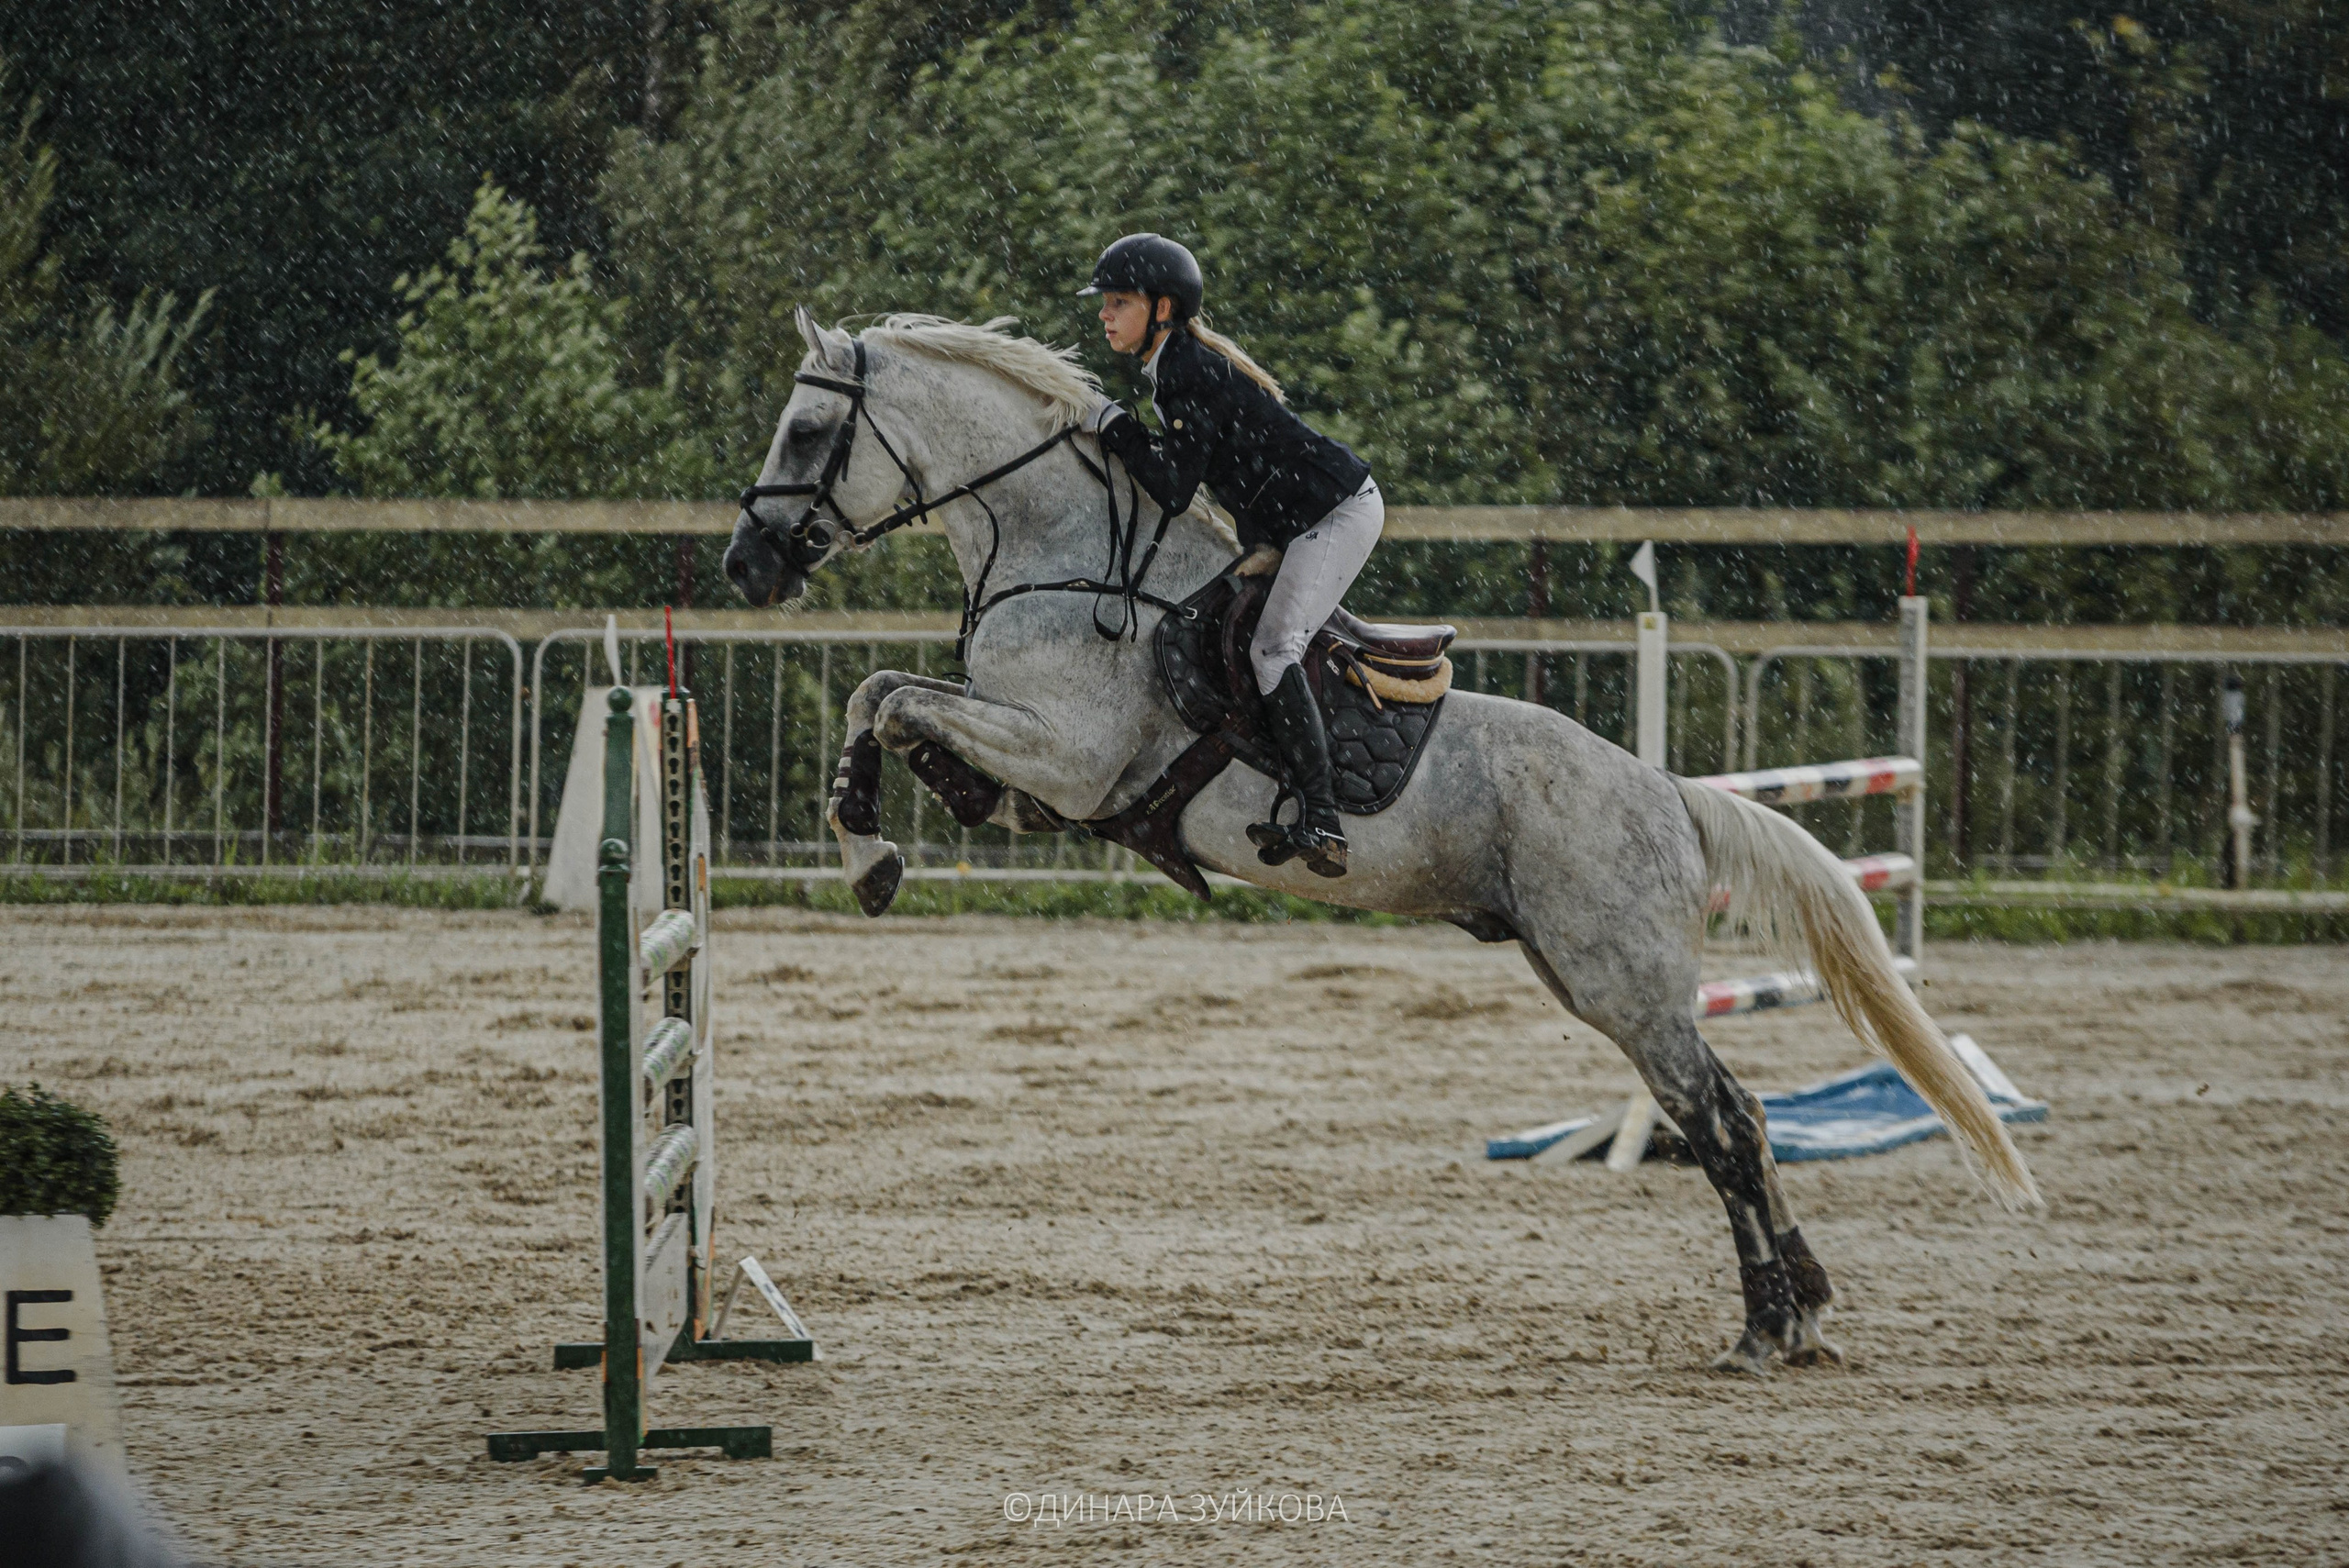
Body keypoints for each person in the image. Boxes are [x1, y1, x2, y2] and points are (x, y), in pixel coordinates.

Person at [1078, 232, 1377, 879]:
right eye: (1105, 301)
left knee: (1273, 647)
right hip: (1296, 524)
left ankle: (1323, 816)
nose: (1104, 312)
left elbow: (1173, 488)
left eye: (1119, 301)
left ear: (1162, 310)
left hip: (1337, 513)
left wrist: (1114, 425)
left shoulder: (1185, 372)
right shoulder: (1175, 365)